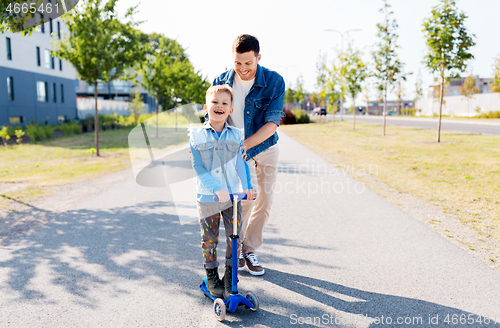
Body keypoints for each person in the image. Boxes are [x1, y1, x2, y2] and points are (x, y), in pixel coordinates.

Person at [212, 34, 285, 276]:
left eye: (248, 63)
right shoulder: (221, 81)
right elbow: (213, 115)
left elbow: (273, 121)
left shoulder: (274, 81)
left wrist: (244, 144)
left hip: (265, 147)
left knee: (265, 201)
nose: (242, 69)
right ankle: (236, 249)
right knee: (244, 200)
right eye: (238, 63)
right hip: (237, 152)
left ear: (258, 58)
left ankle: (249, 249)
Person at [190, 84, 256, 299]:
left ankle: (230, 275)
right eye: (215, 102)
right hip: (208, 198)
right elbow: (198, 167)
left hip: (232, 198)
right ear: (205, 107)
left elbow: (241, 164)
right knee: (209, 238)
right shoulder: (197, 135)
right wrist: (216, 188)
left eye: (224, 103)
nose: (219, 106)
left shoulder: (237, 135)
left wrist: (247, 187)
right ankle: (211, 275)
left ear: (231, 110)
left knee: (233, 237)